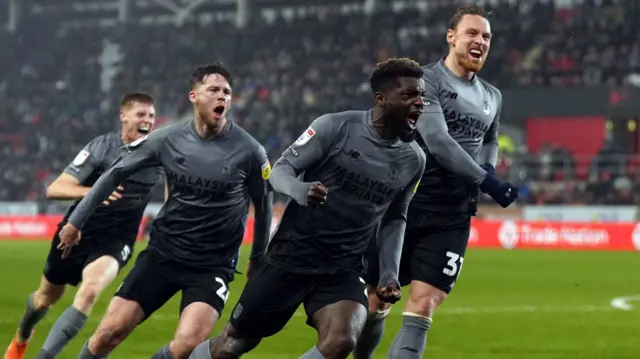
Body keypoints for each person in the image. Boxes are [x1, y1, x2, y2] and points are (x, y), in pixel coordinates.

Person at [187, 57, 427, 359]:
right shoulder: (335, 127)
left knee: (342, 340)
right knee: (231, 344)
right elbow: (279, 171)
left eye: (422, 96)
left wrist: (390, 274)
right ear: (381, 99)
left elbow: (395, 217)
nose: (419, 103)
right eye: (409, 95)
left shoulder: (414, 159)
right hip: (291, 256)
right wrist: (301, 190)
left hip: (343, 266)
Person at [56, 63, 273, 359]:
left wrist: (258, 257)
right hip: (163, 255)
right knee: (109, 332)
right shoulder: (167, 138)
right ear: (194, 96)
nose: (222, 96)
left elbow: (264, 206)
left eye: (227, 92)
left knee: (187, 345)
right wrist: (75, 222)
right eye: (213, 90)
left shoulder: (250, 151)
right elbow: (114, 173)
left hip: (212, 266)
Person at [355, 4, 520, 359]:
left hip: (453, 214)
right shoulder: (425, 81)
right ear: (451, 37)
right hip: (407, 204)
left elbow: (490, 137)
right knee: (376, 301)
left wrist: (487, 169)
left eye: (487, 36)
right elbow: (439, 142)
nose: (481, 41)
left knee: (424, 304)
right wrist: (487, 182)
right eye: (472, 33)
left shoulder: (493, 97)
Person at [3, 93, 162, 359]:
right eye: (141, 115)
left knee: (89, 293)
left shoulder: (158, 153)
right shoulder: (102, 147)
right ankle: (21, 338)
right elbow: (55, 189)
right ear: (124, 116)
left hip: (116, 241)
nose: (147, 121)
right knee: (44, 299)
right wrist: (93, 192)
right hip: (75, 233)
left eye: (151, 116)